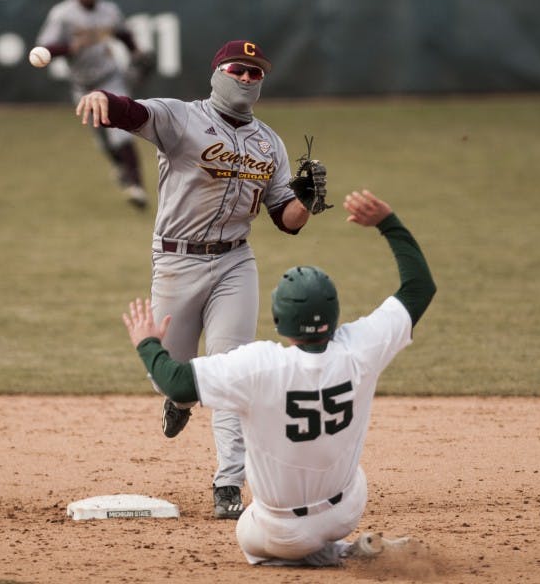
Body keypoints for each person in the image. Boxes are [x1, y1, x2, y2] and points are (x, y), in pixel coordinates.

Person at [77, 40, 329, 519]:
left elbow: (287, 220)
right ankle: (180, 398)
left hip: (236, 263)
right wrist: (101, 99)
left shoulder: (268, 142)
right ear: (218, 72)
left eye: (257, 74)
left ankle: (228, 483)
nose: (249, 79)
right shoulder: (181, 118)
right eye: (240, 69)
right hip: (177, 261)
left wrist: (308, 202)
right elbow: (131, 112)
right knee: (168, 377)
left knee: (232, 371)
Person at [121, 189, 437, 567]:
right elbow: (419, 288)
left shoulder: (257, 366)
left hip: (282, 532)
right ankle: (341, 544)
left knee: (250, 539)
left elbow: (175, 383)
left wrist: (147, 344)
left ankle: (333, 555)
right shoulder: (361, 347)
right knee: (347, 472)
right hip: (347, 511)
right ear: (334, 312)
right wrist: (388, 222)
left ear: (279, 320)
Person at [35, 0, 152, 209]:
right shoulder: (63, 14)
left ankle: (137, 186)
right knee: (103, 140)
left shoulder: (109, 10)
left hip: (110, 78)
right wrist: (69, 48)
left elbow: (123, 34)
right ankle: (120, 167)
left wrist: (135, 51)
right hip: (82, 85)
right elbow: (44, 49)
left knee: (120, 132)